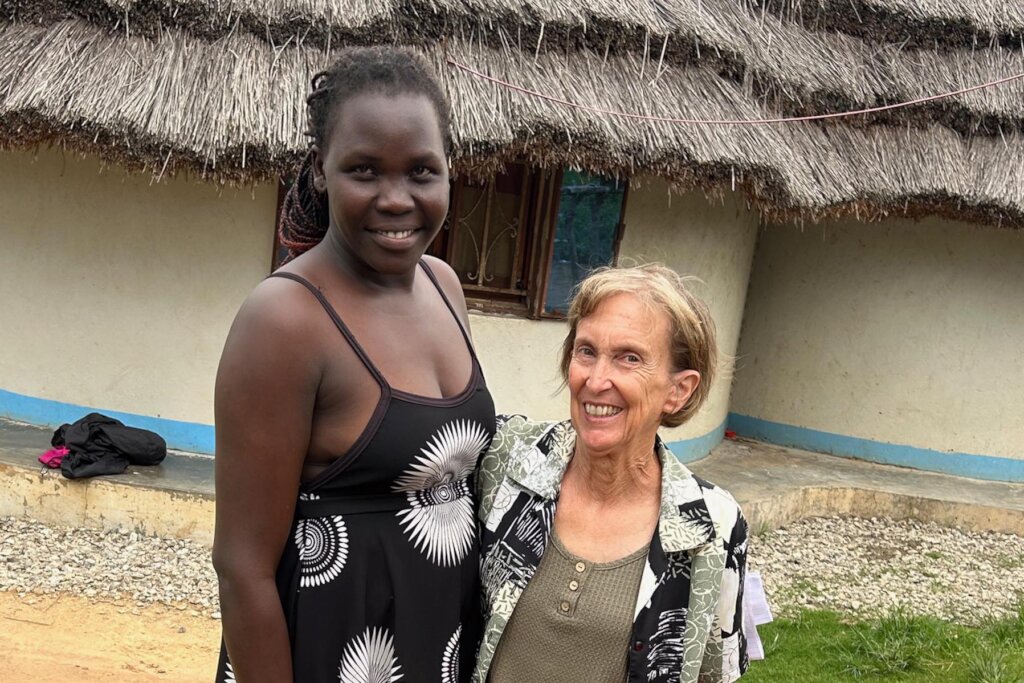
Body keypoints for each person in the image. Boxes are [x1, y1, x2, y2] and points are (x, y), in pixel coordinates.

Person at [212, 47, 496, 683]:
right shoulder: (285, 320)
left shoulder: (444, 286)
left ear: (449, 171)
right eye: (364, 170)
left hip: (436, 638)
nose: (396, 199)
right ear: (320, 170)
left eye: (422, 171)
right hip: (327, 652)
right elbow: (242, 567)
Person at [474, 264, 748, 683]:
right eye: (586, 351)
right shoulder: (506, 457)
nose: (596, 380)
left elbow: (716, 672)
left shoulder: (713, 524)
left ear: (679, 390)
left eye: (629, 358)